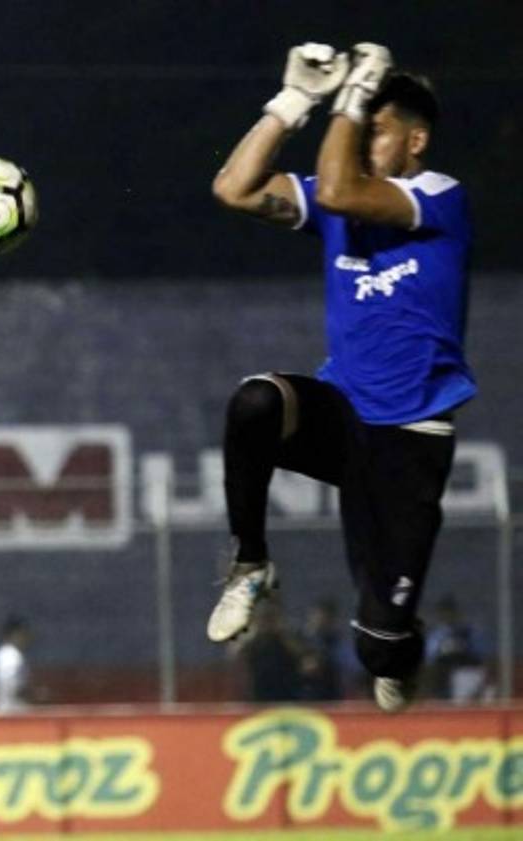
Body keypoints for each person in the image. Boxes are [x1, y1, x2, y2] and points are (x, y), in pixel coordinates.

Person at [207, 43, 475, 715]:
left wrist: (350, 99)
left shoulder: (439, 197)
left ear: (415, 140)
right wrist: (292, 103)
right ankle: (250, 565)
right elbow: (233, 188)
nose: (359, 139)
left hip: (410, 439)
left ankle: (399, 645)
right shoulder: (340, 200)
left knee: (377, 645)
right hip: (347, 415)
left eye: (375, 130)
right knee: (256, 403)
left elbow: (335, 188)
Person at [424, 593, 489, 702]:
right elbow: (430, 659)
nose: (448, 615)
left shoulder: (467, 632)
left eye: (450, 611)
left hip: (466, 674)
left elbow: (480, 656)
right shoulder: (436, 635)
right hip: (443, 677)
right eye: (444, 611)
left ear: (456, 613)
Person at [0, 615, 32, 714]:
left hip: (5, 712)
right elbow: (13, 687)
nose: (27, 637)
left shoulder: (4, 654)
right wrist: (37, 695)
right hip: (13, 713)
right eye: (24, 633)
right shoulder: (12, 656)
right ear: (15, 634)